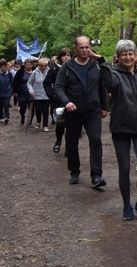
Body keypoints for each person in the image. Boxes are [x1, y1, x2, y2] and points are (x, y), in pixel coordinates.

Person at [99, 40, 137, 221]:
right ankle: (127, 205)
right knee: (124, 168)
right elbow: (110, 84)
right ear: (118, 57)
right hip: (121, 128)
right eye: (124, 54)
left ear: (135, 55)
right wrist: (102, 62)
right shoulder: (115, 74)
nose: (128, 57)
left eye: (131, 53)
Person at [54, 36, 110, 188]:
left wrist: (105, 106)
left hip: (92, 111)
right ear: (75, 49)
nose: (85, 50)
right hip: (73, 112)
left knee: (96, 141)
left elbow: (103, 85)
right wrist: (67, 102)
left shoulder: (95, 65)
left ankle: (97, 176)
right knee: (72, 143)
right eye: (82, 48)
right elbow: (58, 86)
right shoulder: (68, 66)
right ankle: (74, 171)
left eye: (87, 47)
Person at [44, 48, 71, 154]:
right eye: (64, 55)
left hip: (72, 100)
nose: (67, 57)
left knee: (71, 126)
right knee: (60, 124)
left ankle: (69, 147)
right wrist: (52, 95)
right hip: (59, 101)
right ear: (60, 57)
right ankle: (58, 141)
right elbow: (46, 83)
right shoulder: (54, 69)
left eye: (68, 55)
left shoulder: (73, 67)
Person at [27, 58, 50, 132]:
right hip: (37, 95)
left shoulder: (49, 72)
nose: (43, 67)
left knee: (46, 110)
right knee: (38, 110)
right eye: (42, 66)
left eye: (45, 66)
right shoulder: (34, 72)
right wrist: (31, 90)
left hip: (46, 95)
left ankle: (45, 125)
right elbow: (29, 83)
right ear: (39, 65)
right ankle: (38, 120)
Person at [12, 59, 34, 126]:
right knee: (22, 107)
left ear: (32, 65)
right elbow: (15, 81)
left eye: (30, 65)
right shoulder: (20, 72)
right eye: (27, 65)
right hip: (22, 92)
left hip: (32, 92)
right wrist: (15, 91)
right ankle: (22, 116)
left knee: (32, 108)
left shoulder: (35, 71)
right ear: (25, 65)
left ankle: (30, 121)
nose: (28, 66)